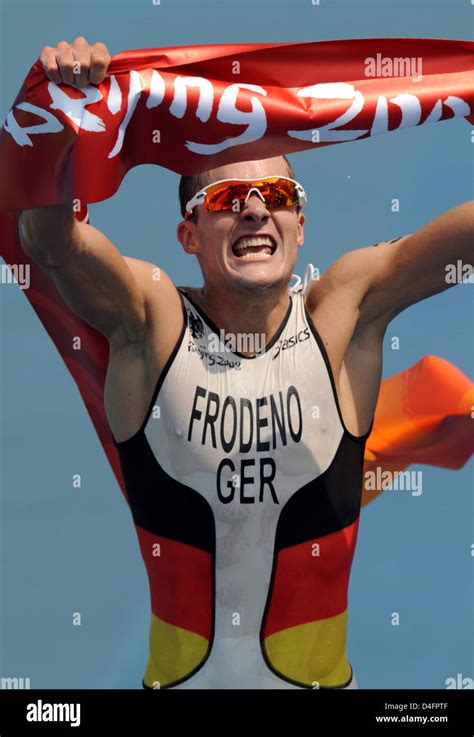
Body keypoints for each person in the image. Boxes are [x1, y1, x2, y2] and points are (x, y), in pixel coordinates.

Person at [19, 37, 473, 690]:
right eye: (228, 200)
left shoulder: (344, 315)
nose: (255, 208)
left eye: (276, 193)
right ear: (187, 235)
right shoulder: (149, 321)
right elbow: (47, 239)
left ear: (300, 224)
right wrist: (61, 113)